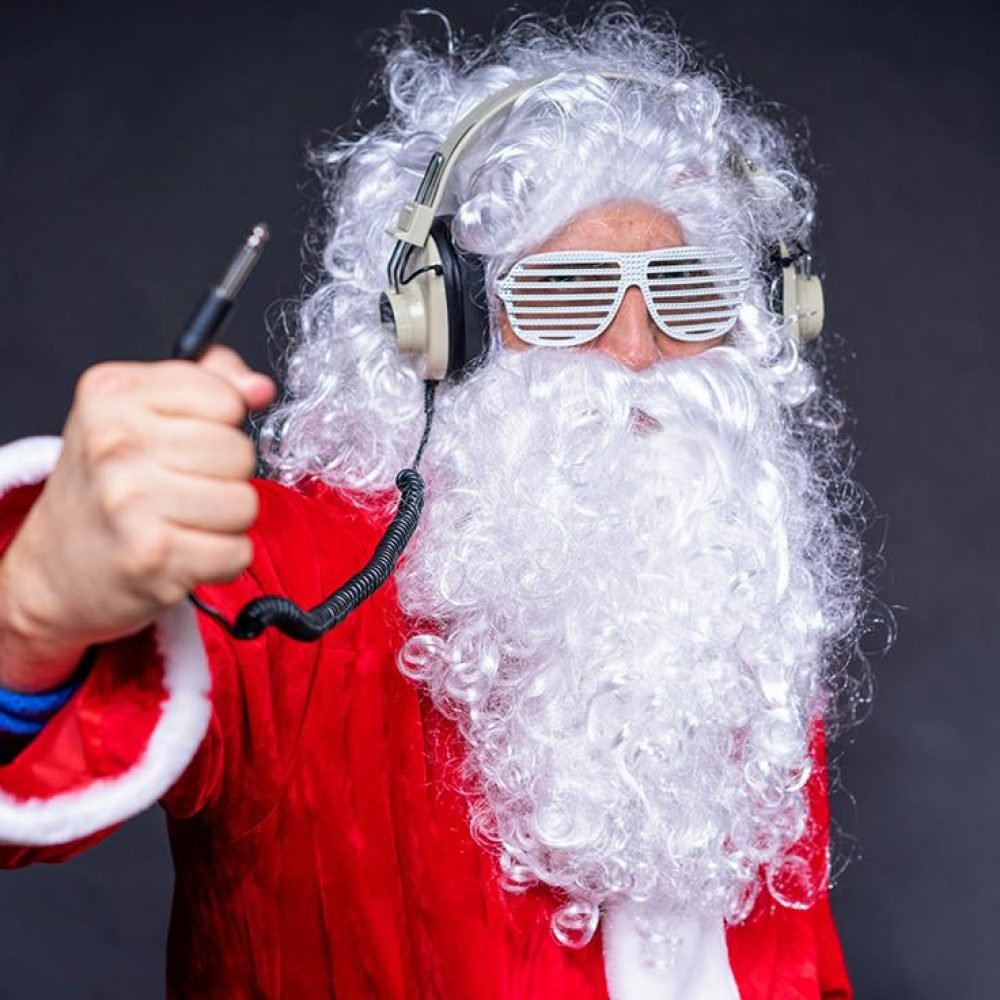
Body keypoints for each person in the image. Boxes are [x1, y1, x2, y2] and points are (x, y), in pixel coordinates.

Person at [0, 11, 865, 999]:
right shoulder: (285, 573)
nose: (635, 349)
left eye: (684, 291)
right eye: (563, 297)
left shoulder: (723, 588)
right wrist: (33, 613)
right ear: (439, 323)